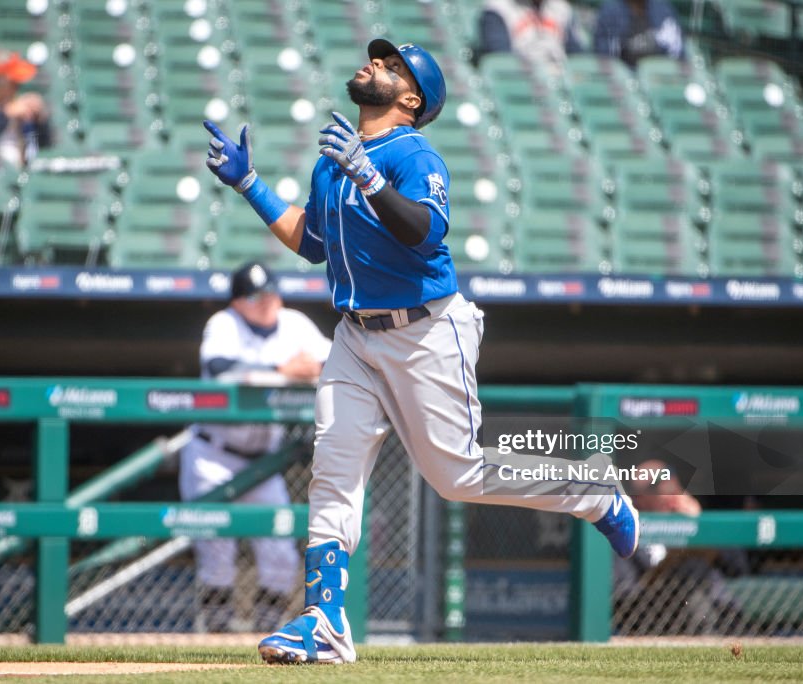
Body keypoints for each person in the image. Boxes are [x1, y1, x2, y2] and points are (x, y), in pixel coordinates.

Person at [202, 39, 639, 665]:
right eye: (377, 58)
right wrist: (249, 183)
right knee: (333, 468)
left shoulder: (414, 153)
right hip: (354, 335)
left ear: (411, 98)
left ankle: (594, 493)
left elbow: (424, 230)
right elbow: (313, 243)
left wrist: (370, 175)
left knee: (456, 476)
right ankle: (323, 622)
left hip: (426, 332)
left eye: (391, 66)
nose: (373, 64)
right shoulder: (335, 157)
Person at [178, 261, 332, 633]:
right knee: (217, 553)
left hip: (264, 464)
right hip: (213, 455)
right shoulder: (223, 325)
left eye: (271, 292)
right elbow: (221, 368)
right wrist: (283, 370)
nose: (266, 301)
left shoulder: (294, 323)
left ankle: (266, 633)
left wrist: (301, 368)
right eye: (255, 296)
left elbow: (334, 358)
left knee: (280, 556)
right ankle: (216, 636)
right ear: (236, 302)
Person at [614, 460, 747, 635]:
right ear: (638, 499)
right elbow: (625, 596)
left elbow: (738, 566)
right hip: (657, 615)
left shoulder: (691, 521)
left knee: (695, 571)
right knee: (690, 568)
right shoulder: (624, 532)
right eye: (659, 491)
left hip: (713, 606)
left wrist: (700, 525)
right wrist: (668, 567)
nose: (671, 497)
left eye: (674, 490)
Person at [476, 0, 585, 69]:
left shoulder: (561, 8)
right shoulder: (497, 8)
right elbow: (502, 58)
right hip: (522, 79)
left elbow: (576, 55)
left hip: (560, 76)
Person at [593, 0, 685, 68]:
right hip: (626, 78)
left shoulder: (663, 10)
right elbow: (605, 57)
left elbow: (677, 53)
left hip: (659, 78)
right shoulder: (610, 11)